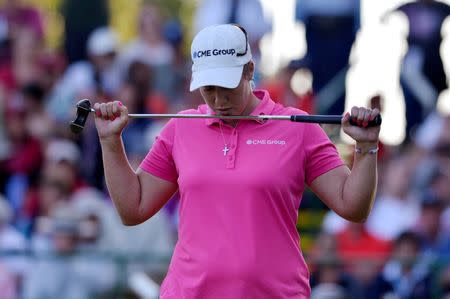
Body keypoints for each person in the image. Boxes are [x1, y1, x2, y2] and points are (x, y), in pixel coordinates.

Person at [93, 24, 381, 298]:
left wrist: (366, 147)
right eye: (208, 89)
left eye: (226, 87)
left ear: (249, 70)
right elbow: (133, 208)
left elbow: (352, 206)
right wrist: (110, 142)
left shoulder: (298, 127)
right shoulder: (180, 128)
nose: (218, 100)